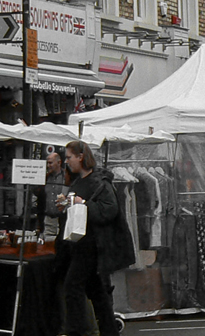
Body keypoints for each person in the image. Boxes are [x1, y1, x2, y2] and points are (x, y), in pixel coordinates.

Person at [55, 141, 134, 336]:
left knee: (73, 287)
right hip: (81, 244)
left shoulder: (99, 182)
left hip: (92, 245)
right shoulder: (79, 181)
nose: (67, 161)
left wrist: (84, 204)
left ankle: (76, 331)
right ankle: (108, 331)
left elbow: (110, 210)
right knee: (97, 292)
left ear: (80, 157)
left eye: (69, 157)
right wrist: (66, 205)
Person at [41, 151, 68, 241]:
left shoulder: (66, 177)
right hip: (48, 219)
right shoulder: (45, 178)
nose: (48, 166)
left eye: (50, 163)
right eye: (47, 163)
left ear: (59, 162)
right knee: (48, 243)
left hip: (62, 219)